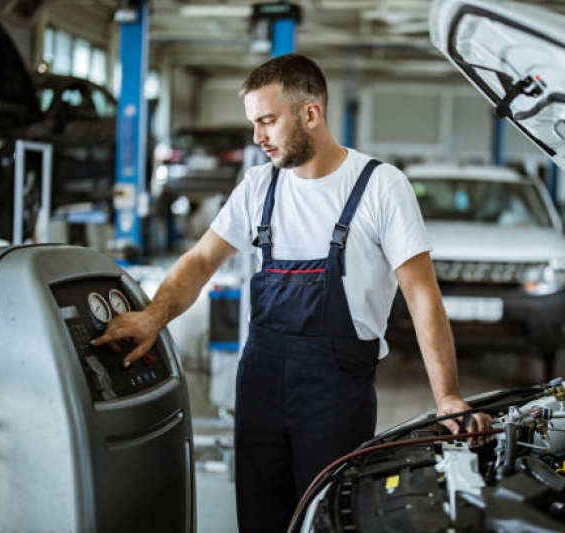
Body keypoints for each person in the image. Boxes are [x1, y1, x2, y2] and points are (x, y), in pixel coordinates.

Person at [93, 53, 492, 531]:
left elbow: (422, 294)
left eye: (267, 121)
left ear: (310, 113)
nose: (257, 137)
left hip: (336, 393)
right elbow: (200, 261)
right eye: (253, 124)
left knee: (326, 519)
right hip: (261, 382)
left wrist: (447, 395)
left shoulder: (380, 187)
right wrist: (153, 316)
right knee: (260, 520)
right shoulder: (259, 187)